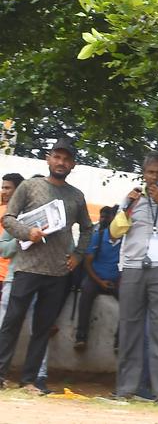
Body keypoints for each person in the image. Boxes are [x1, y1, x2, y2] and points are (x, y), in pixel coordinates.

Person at [0, 139, 93, 394]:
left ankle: (29, 381)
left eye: (67, 159)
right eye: (57, 157)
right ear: (48, 158)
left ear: (73, 164)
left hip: (58, 272)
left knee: (42, 328)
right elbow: (7, 218)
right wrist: (26, 232)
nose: (61, 162)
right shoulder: (30, 186)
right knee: (11, 323)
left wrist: (77, 255)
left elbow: (88, 228)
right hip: (26, 267)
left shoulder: (76, 196)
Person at [108, 151, 158, 402]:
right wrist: (128, 208)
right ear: (143, 174)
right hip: (133, 267)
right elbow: (114, 231)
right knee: (130, 329)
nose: (155, 177)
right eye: (151, 172)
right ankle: (126, 389)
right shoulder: (131, 198)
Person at [75, 205, 122, 349]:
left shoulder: (127, 242)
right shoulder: (99, 236)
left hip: (117, 280)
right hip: (96, 278)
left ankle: (119, 341)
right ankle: (80, 337)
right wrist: (100, 281)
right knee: (86, 293)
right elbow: (88, 263)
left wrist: (119, 281)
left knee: (130, 300)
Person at [0, 173, 23, 324]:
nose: (3, 191)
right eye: (2, 187)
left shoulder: (22, 216)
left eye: (7, 188)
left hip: (8, 276)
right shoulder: (2, 209)